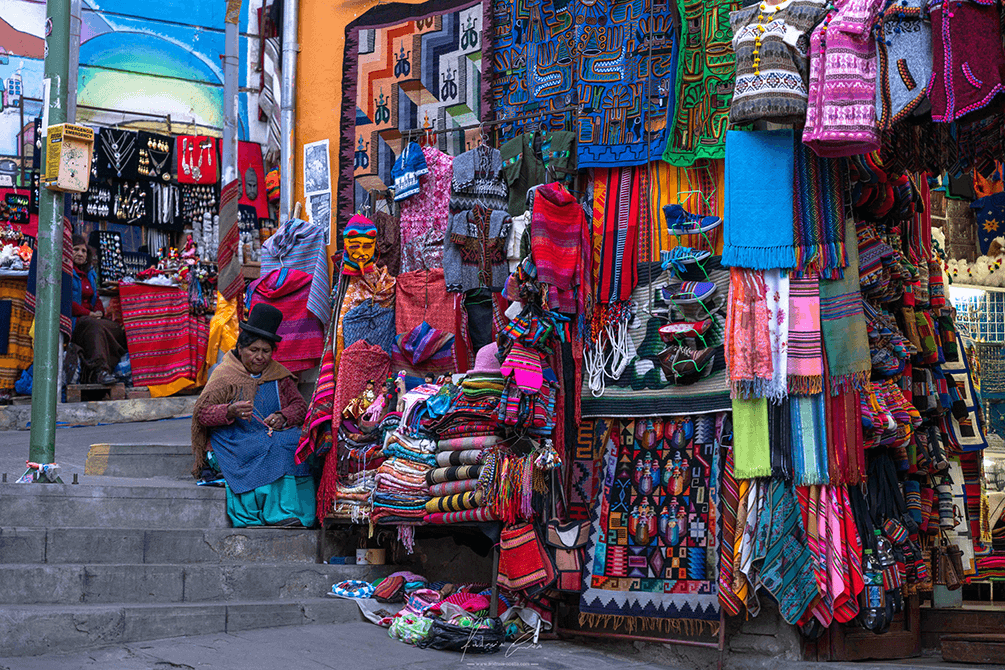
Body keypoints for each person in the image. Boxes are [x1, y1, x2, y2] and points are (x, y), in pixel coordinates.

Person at [191, 303, 316, 527]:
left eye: (265, 351)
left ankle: (298, 512)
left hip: (268, 434)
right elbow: (202, 414)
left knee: (294, 441)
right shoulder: (225, 374)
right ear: (240, 348)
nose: (259, 357)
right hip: (234, 439)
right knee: (272, 447)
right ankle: (277, 513)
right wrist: (229, 411)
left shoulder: (278, 375)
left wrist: (283, 416)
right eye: (253, 350)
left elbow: (300, 406)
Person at [70, 235, 127, 385]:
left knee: (116, 328)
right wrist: (90, 314)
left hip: (90, 318)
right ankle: (99, 371)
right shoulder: (65, 273)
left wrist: (99, 313)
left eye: (83, 250)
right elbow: (67, 302)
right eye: (76, 249)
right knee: (94, 327)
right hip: (74, 320)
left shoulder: (90, 273)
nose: (80, 253)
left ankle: (111, 368)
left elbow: (96, 299)